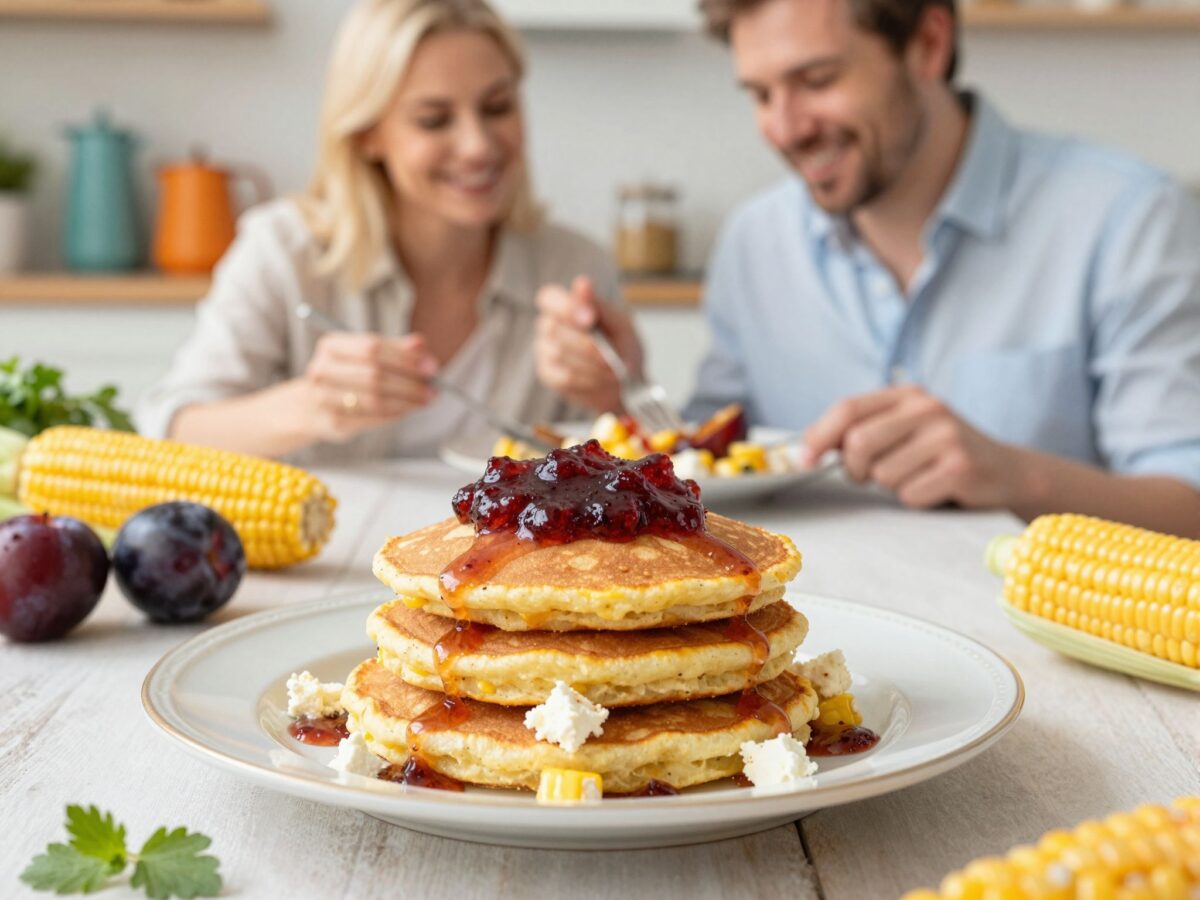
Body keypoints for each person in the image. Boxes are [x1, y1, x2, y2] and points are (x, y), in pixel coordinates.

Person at [679, 0, 1200, 535]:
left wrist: (1017, 478)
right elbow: (700, 458)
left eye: (818, 80)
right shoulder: (753, 241)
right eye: (761, 95)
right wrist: (630, 395)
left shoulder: (1128, 219)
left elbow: (1191, 506)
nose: (785, 129)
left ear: (929, 45)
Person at [137, 0, 637, 462]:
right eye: (433, 120)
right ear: (366, 134)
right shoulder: (282, 252)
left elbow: (652, 453)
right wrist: (311, 407)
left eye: (497, 107)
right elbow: (171, 428)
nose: (478, 146)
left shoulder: (574, 268)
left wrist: (617, 394)